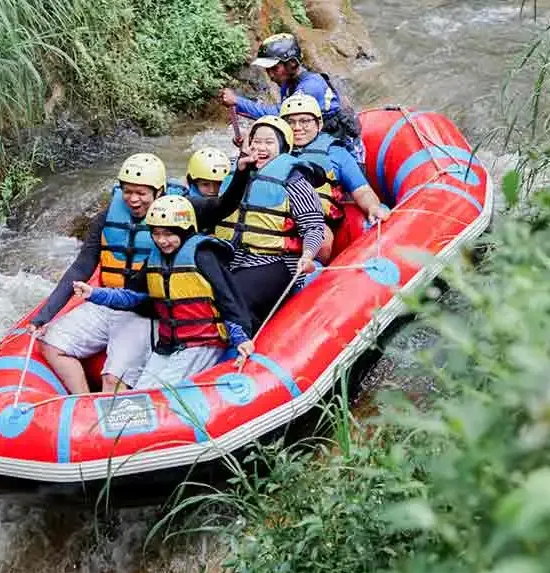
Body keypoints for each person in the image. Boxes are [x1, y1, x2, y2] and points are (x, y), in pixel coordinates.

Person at [73, 196, 254, 389]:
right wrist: (93, 293)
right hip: (168, 345)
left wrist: (240, 337)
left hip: (203, 344)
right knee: (142, 390)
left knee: (154, 393)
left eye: (168, 234)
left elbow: (226, 299)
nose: (162, 241)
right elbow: (131, 296)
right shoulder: (154, 259)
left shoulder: (203, 255)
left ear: (185, 230)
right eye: (156, 234)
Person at [27, 153, 168, 394]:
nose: (133, 200)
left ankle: (108, 425)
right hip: (105, 303)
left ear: (159, 192)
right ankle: (83, 403)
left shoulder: (169, 226)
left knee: (113, 381)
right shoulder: (107, 218)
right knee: (51, 344)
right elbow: (81, 268)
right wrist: (44, 316)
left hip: (143, 313)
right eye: (128, 191)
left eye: (142, 193)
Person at [188, 116, 326, 331]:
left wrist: (308, 255)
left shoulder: (294, 179)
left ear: (282, 147)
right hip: (231, 257)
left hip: (273, 260)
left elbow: (314, 226)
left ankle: (247, 343)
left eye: (269, 142)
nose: (261, 148)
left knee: (237, 301)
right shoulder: (236, 174)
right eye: (256, 141)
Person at [220, 33, 363, 161]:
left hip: (343, 147)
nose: (270, 75)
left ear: (292, 64)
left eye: (275, 68)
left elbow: (277, 115)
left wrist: (237, 101)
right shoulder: (288, 84)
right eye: (267, 70)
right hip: (315, 139)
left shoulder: (310, 87)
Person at [280, 94, 387, 261]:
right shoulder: (273, 149)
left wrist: (373, 207)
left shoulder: (335, 153)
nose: (297, 127)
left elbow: (362, 190)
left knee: (322, 239)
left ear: (319, 124)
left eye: (304, 121)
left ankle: (314, 276)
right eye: (290, 122)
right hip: (275, 217)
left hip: (314, 221)